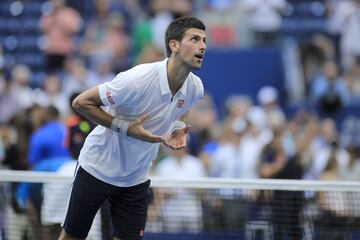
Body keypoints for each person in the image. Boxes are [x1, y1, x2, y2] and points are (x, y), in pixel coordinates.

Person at [59, 16, 206, 240]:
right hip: (96, 168)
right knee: (73, 237)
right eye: (195, 39)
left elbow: (183, 107)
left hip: (135, 178)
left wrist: (177, 127)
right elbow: (80, 102)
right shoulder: (137, 80)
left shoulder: (195, 87)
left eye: (204, 40)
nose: (203, 46)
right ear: (173, 45)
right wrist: (125, 127)